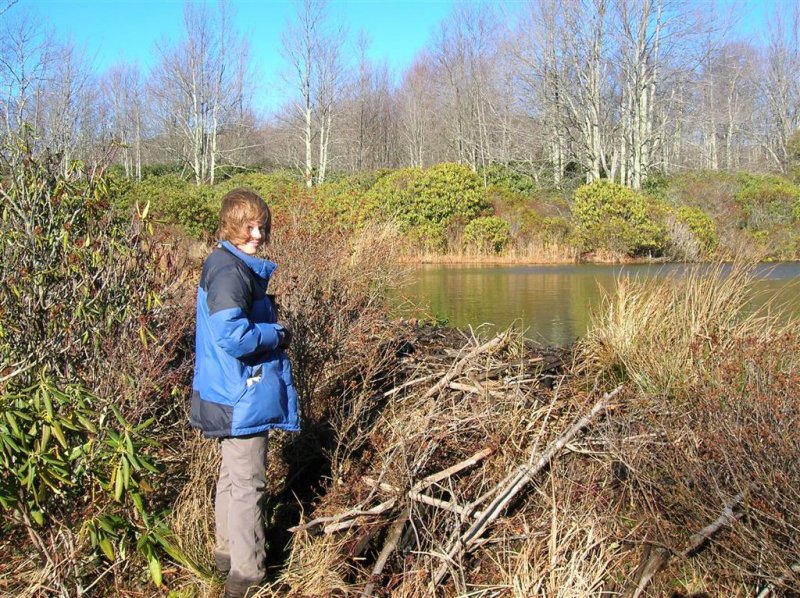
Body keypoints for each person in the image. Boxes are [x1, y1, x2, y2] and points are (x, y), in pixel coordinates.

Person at [190, 188, 299, 598]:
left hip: (225, 390)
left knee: (232, 478)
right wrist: (278, 333)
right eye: (248, 227)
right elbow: (233, 336)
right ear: (230, 226)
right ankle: (247, 577)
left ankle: (226, 556)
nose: (257, 234)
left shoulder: (225, 264)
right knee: (249, 483)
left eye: (262, 227)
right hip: (240, 395)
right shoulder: (228, 270)